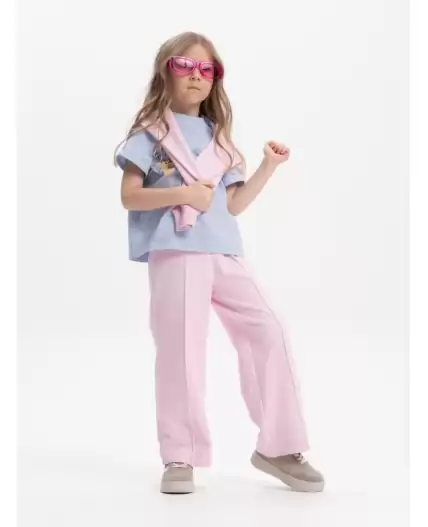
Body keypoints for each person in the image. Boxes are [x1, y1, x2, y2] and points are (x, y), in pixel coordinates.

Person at [114, 31, 324, 494]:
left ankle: (279, 445)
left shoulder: (221, 141)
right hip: (177, 252)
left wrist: (267, 167)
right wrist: (183, 194)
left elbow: (232, 205)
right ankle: (180, 455)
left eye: (206, 69)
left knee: (269, 329)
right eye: (184, 66)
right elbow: (129, 196)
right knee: (182, 351)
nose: (196, 76)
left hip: (224, 250)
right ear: (165, 71)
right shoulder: (149, 135)